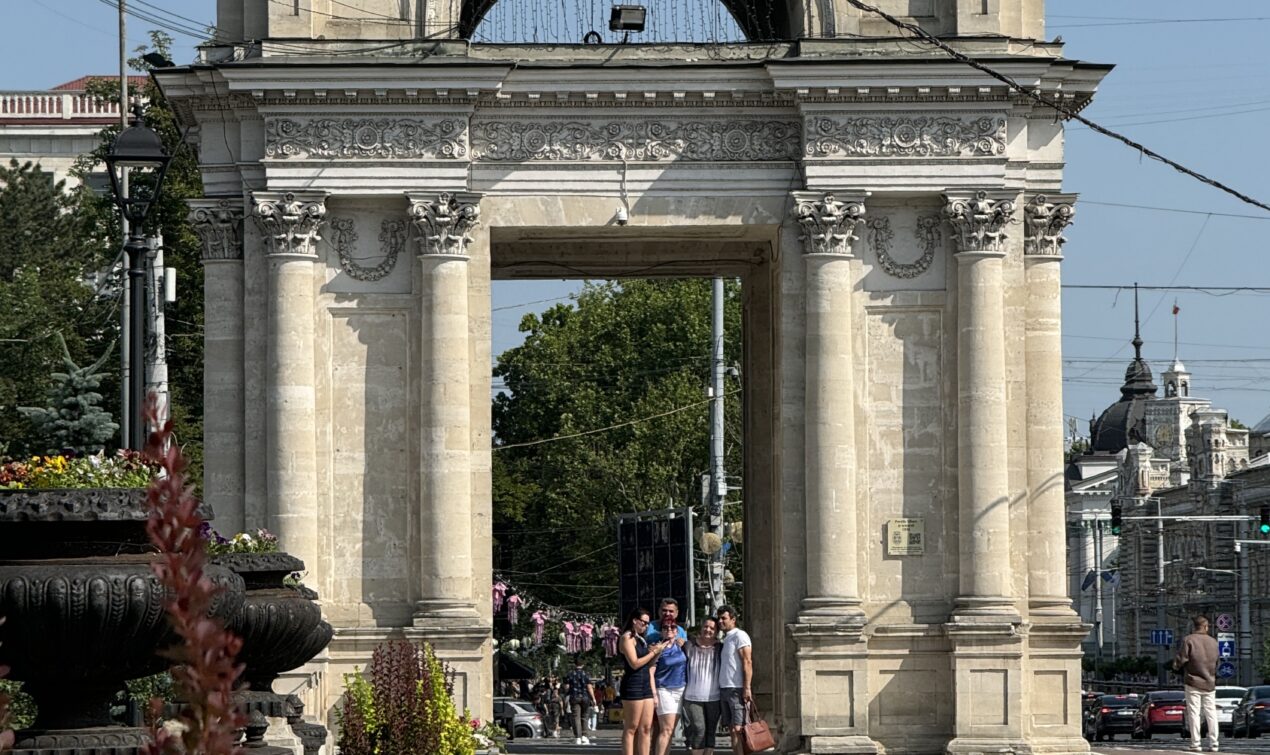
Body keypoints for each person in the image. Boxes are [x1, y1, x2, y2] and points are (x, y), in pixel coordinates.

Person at [620, 607, 671, 755]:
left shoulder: (640, 638)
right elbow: (634, 663)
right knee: (631, 727)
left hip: (645, 684)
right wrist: (654, 652)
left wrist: (657, 652)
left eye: (648, 623)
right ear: (634, 621)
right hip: (632, 684)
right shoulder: (627, 637)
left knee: (646, 727)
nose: (646, 626)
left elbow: (647, 663)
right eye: (643, 622)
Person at [1174, 615, 1220, 752]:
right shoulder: (1214, 642)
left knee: (1194, 713)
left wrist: (1176, 667)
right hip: (1210, 683)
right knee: (1211, 713)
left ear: (1193, 627)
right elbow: (1218, 662)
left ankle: (1196, 743)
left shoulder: (1189, 640)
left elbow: (1181, 659)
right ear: (1206, 627)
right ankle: (1214, 743)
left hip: (1193, 681)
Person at [681, 617, 723, 755]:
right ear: (701, 627)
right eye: (706, 626)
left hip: (714, 697)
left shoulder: (720, 648)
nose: (708, 630)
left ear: (716, 631)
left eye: (712, 628)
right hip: (692, 696)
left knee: (711, 731)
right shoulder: (688, 645)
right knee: (699, 729)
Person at [717, 605, 752, 755]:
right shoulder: (726, 638)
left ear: (733, 619)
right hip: (724, 688)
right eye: (719, 618)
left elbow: (747, 661)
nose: (720, 621)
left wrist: (747, 687)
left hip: (736, 688)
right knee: (732, 729)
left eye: (724, 618)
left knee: (739, 728)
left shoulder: (740, 635)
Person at [653, 613, 688, 755]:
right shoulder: (658, 648)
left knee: (671, 730)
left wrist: (685, 645)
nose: (669, 630)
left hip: (681, 689)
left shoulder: (682, 646)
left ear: (676, 630)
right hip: (664, 689)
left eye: (672, 627)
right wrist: (654, 693)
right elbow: (650, 671)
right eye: (665, 627)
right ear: (661, 631)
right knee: (665, 730)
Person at [565, 658, 595, 745]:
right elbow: (589, 687)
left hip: (574, 697)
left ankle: (577, 737)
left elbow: (566, 687)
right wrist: (593, 698)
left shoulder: (570, 674)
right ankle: (584, 736)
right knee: (585, 716)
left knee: (576, 717)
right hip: (585, 697)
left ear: (575, 664)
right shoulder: (586, 674)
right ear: (583, 665)